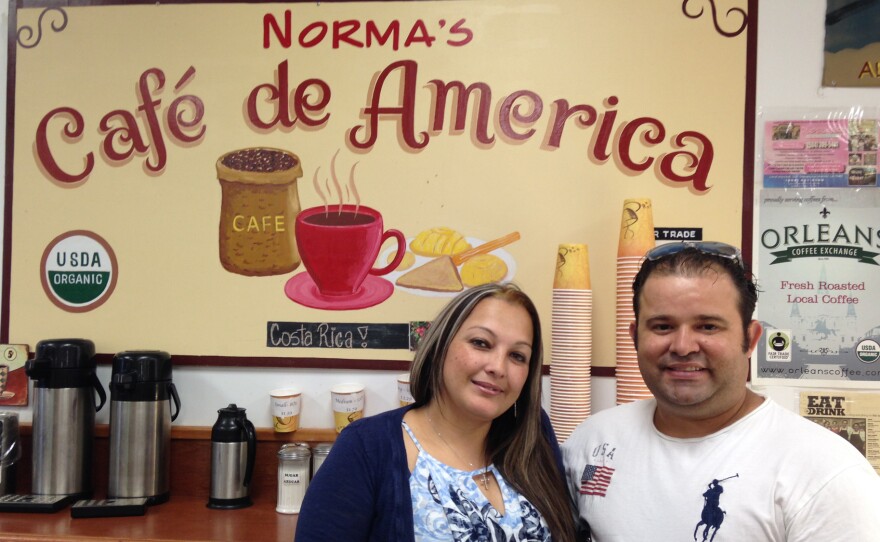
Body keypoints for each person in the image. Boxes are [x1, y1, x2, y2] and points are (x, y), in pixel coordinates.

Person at [561, 241, 880, 541]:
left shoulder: (826, 473)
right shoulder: (592, 442)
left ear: (751, 339)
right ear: (635, 337)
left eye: (708, 326)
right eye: (662, 326)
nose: (683, 347)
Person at [296, 283, 578, 541]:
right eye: (481, 343)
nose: (498, 367)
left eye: (517, 356)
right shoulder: (366, 448)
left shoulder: (532, 432)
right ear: (440, 345)